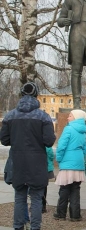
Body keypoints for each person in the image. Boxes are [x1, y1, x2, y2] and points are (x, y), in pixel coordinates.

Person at [0, 82, 56, 230]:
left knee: (19, 198)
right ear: (36, 95)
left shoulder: (10, 115)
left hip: (17, 162)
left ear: (22, 94)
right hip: (37, 164)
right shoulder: (44, 117)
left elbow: (4, 140)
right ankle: (35, 227)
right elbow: (49, 141)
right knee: (36, 199)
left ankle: (18, 227)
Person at [54, 109, 86, 221]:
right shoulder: (83, 131)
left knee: (64, 189)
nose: (68, 118)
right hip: (78, 163)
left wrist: (59, 159)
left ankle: (61, 213)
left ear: (76, 117)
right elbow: (85, 148)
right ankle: (75, 215)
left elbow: (61, 146)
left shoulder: (68, 129)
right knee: (75, 189)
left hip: (67, 163)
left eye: (70, 116)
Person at [42, 146, 55, 213]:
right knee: (44, 187)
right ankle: (43, 206)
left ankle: (35, 204)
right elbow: (51, 154)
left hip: (36, 167)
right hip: (46, 167)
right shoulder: (46, 141)